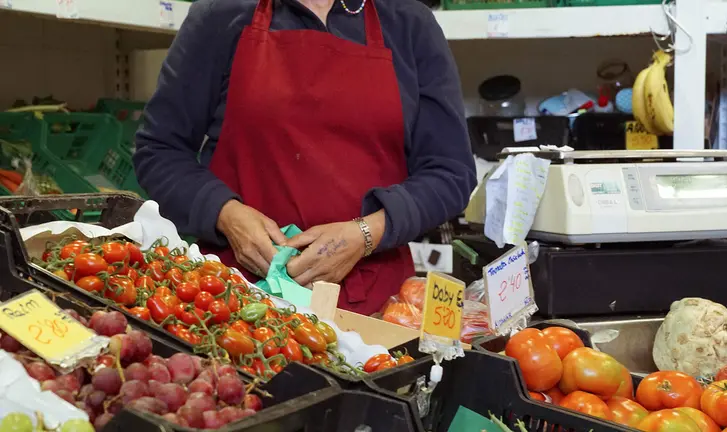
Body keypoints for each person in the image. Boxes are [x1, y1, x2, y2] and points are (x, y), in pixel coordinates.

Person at [133, 0, 477, 315]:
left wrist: (367, 233)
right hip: (234, 299)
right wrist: (225, 214)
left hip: (375, 307)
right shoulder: (221, 15)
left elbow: (451, 172)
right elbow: (159, 151)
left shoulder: (408, 23)